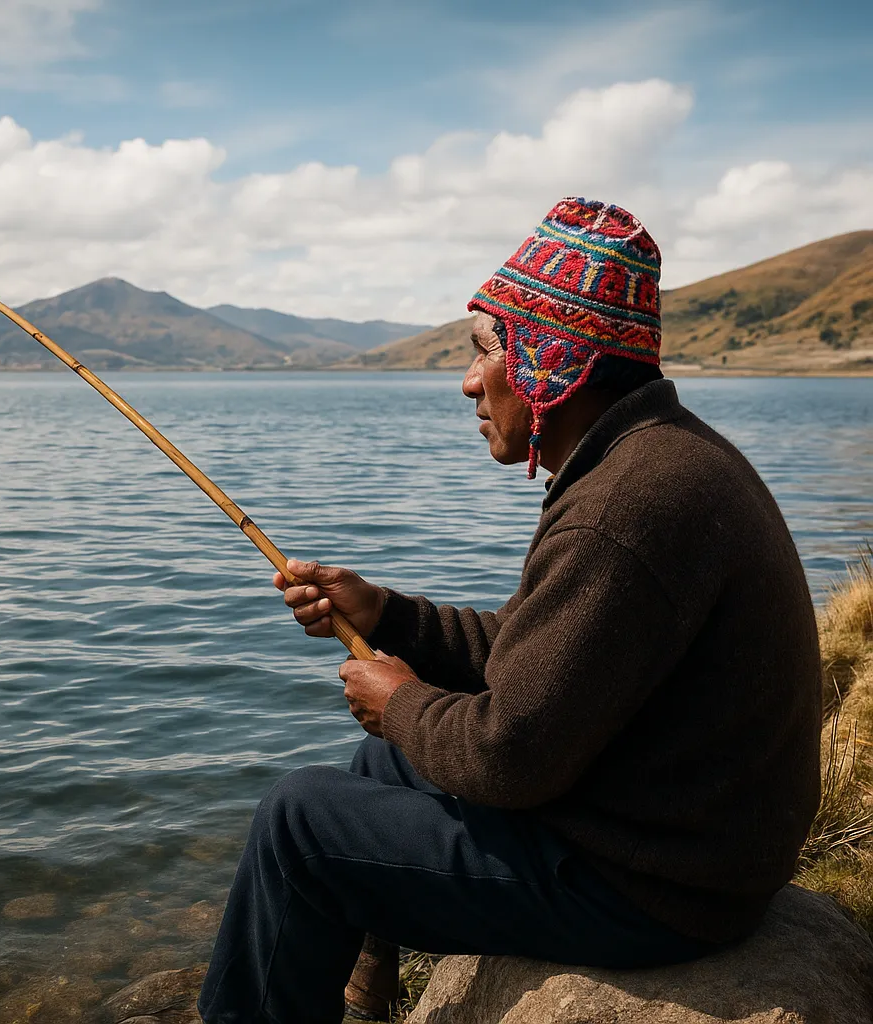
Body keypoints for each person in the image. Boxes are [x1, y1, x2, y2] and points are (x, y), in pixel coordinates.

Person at [197, 197, 823, 1024]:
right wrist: (383, 613)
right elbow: (531, 653)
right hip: (684, 841)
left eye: (485, 350)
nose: (467, 382)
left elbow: (509, 755)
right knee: (379, 770)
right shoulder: (652, 458)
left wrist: (401, 702)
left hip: (658, 884)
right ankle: (364, 993)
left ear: (552, 358)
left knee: (298, 824)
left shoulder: (625, 507)